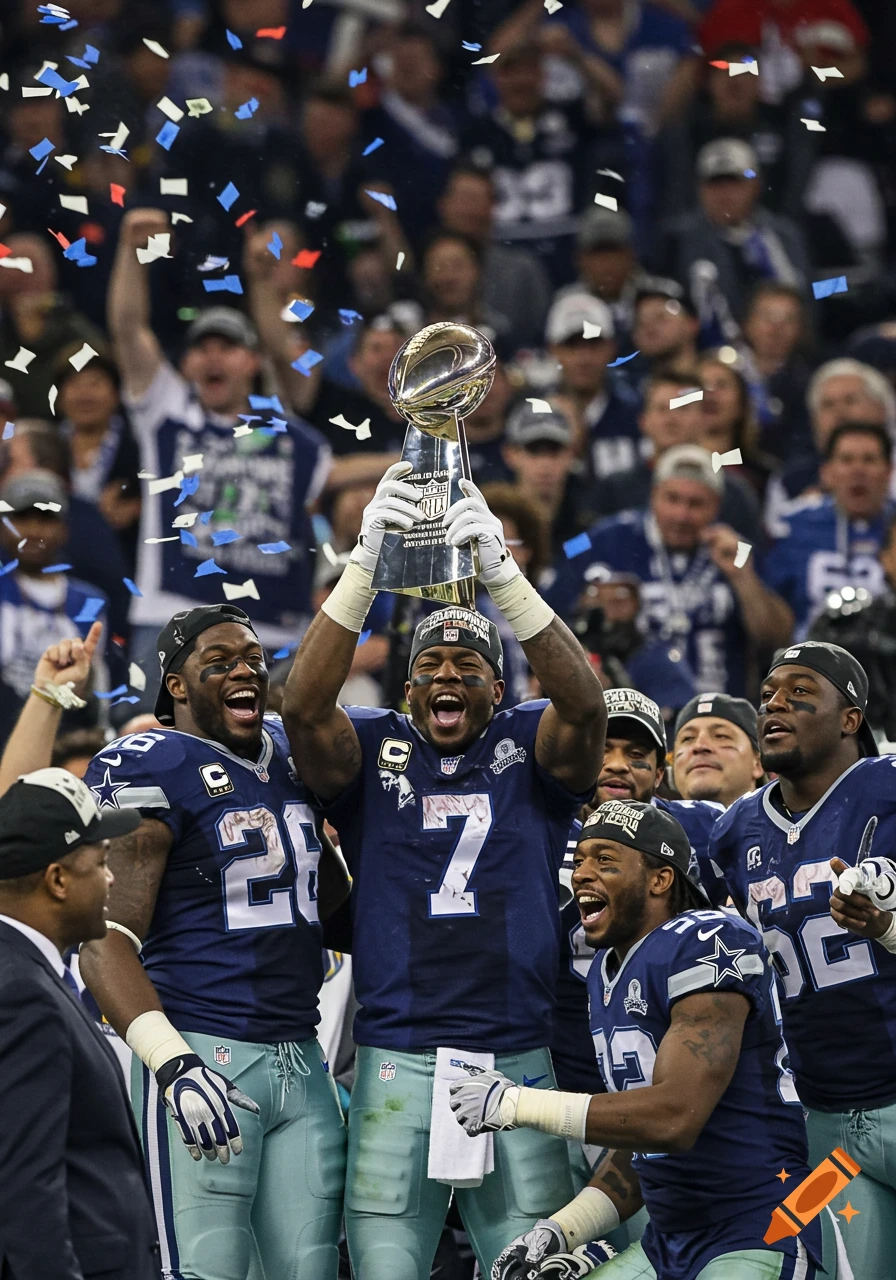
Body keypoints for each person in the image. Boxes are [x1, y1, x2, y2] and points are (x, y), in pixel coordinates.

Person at [283, 464, 606, 1278]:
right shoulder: (375, 744)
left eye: (469, 667)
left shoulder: (528, 741)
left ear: (500, 689)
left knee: (529, 1266)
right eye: (430, 667)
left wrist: (502, 573)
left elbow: (586, 706)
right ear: (405, 687)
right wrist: (365, 567)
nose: (448, 677)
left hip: (518, 1059)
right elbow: (302, 707)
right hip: (398, 1061)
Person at [78, 604, 350, 1280]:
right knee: (207, 1270)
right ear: (176, 684)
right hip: (206, 1052)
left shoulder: (288, 751)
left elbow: (327, 903)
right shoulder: (151, 762)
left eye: (255, 660)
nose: (246, 672)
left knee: (308, 1269)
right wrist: (173, 1064)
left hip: (301, 1056)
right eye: (221, 662)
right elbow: (102, 939)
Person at [450, 799, 821, 1280]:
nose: (583, 873)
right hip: (668, 1241)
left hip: (760, 1226)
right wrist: (561, 1230)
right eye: (580, 859)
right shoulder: (604, 974)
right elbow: (642, 1144)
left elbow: (673, 1120)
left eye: (605, 861)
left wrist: (517, 1105)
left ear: (659, 879)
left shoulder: (706, 939)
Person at [708, 640, 896, 1279]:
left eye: (799, 692)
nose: (775, 705)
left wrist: (889, 927)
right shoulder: (733, 833)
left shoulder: (889, 788)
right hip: (829, 1127)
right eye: (767, 696)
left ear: (851, 718)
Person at [107, 207, 332, 668]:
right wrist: (130, 253)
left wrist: (262, 280)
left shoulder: (285, 427)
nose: (213, 359)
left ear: (252, 362)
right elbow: (128, 329)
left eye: (227, 348)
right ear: (186, 365)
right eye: (202, 349)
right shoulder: (166, 413)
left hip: (272, 632)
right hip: (171, 618)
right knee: (152, 740)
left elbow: (284, 349)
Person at [0, 767, 161, 1280]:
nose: (112, 878)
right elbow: (26, 1188)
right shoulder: (22, 994)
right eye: (101, 862)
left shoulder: (26, 973)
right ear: (58, 879)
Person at [552, 688, 726, 1109]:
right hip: (559, 1064)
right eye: (602, 748)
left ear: (660, 773)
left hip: (670, 1060)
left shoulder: (704, 828)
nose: (616, 765)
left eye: (635, 753)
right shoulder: (540, 823)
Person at [546, 445, 794, 697]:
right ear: (654, 495)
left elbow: (777, 638)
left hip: (719, 709)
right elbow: (558, 574)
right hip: (626, 712)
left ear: (716, 506)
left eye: (695, 503)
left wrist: (743, 578)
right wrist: (588, 608)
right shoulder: (597, 538)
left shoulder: (739, 550)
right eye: (672, 499)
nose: (682, 515)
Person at [460, 42, 603, 287]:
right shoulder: (477, 133)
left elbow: (614, 99)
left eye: (528, 71)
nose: (520, 81)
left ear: (542, 76)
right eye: (511, 72)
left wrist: (577, 56)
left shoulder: (573, 119)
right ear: (496, 79)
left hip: (567, 253)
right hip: (502, 260)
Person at [0, 469, 124, 745]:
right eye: (21, 518)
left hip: (62, 733)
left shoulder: (90, 600)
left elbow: (97, 693)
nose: (32, 530)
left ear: (64, 529)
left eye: (45, 519)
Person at [658, 138, 811, 326]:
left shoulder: (785, 236)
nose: (725, 193)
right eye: (715, 183)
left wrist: (836, 286)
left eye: (735, 182)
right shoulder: (675, 241)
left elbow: (812, 289)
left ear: (756, 185)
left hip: (788, 342)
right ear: (699, 189)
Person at [594, 373, 762, 543]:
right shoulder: (615, 488)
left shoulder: (733, 492)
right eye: (661, 409)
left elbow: (753, 553)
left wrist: (738, 560)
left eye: (682, 409)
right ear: (643, 421)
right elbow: (582, 543)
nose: (671, 419)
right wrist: (570, 556)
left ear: (704, 419)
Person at [763, 422, 894, 638]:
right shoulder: (793, 526)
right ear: (827, 472)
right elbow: (772, 611)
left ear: (889, 471)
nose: (858, 470)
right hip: (810, 661)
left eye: (869, 460)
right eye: (846, 460)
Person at [765, 357, 896, 530]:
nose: (839, 412)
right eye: (827, 405)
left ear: (882, 408)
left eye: (850, 400)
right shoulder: (791, 481)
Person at [435, 166, 552, 352]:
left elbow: (542, 337)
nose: (469, 210)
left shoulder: (522, 269)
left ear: (493, 207)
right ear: (443, 205)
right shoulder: (424, 266)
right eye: (463, 199)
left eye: (476, 200)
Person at [544, 292, 641, 481]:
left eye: (593, 344)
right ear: (553, 349)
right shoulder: (533, 414)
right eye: (572, 345)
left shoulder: (637, 414)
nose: (584, 358)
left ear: (612, 348)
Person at [501, 399, 600, 555]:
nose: (545, 464)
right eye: (533, 451)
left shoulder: (586, 523)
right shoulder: (495, 521)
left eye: (554, 451)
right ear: (510, 455)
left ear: (571, 454)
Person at [672, 691, 764, 806]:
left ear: (758, 763)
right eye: (688, 738)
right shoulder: (648, 823)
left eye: (721, 736)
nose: (699, 746)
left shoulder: (787, 823)